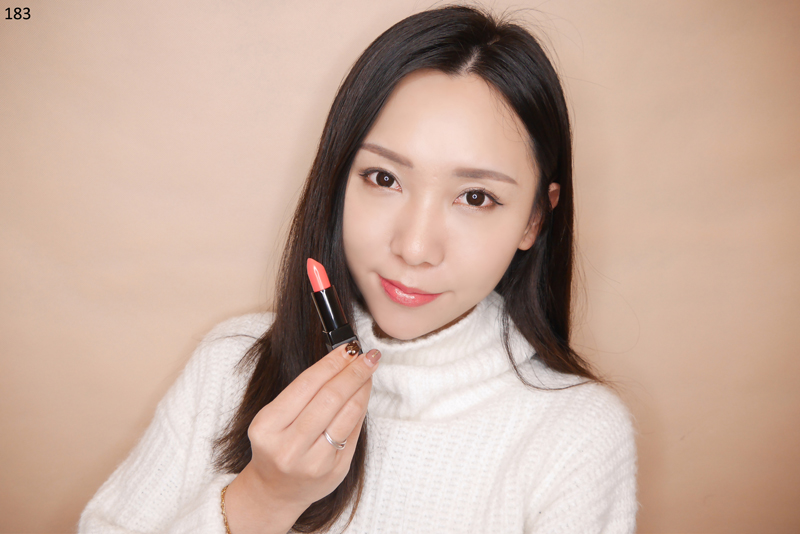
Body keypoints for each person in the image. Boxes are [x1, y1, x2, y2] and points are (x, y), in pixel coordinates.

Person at [80, 5, 637, 533]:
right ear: (338, 175)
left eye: (475, 197)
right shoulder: (231, 363)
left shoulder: (575, 434)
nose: (415, 248)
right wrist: (262, 500)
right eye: (385, 179)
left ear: (534, 220)